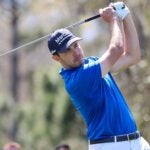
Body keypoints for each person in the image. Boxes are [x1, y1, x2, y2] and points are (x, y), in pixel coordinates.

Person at [47, 2, 150, 150]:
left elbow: (133, 56)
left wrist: (125, 15)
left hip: (137, 141)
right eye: (67, 51)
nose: (75, 52)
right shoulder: (77, 80)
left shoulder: (94, 64)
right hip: (110, 145)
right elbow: (117, 48)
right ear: (56, 58)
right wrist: (113, 19)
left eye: (76, 45)